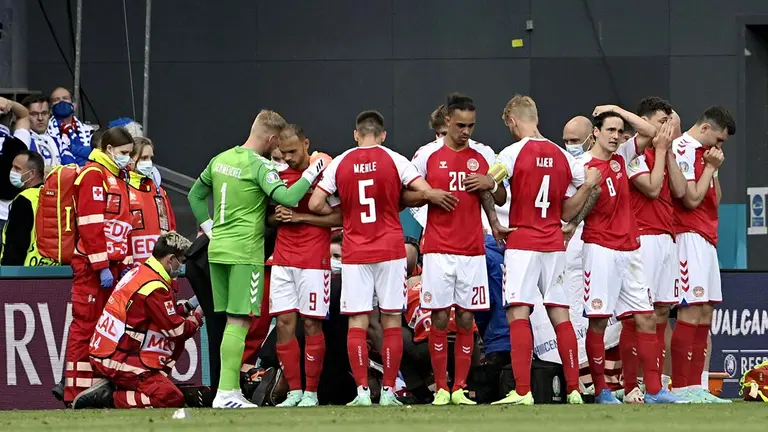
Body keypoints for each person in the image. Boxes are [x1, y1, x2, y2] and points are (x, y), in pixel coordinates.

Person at [308, 109, 456, 406]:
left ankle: (362, 391)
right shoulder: (395, 159)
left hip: (356, 252)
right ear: (383, 134)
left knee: (358, 323)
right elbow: (424, 192)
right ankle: (389, 390)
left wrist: (343, 214)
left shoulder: (341, 162)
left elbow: (314, 204)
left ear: (356, 134)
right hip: (391, 249)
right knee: (390, 321)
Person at [187, 110, 327, 408]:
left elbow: (195, 196)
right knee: (239, 321)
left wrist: (210, 228)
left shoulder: (220, 159)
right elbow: (288, 199)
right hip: (244, 253)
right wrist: (311, 173)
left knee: (227, 322)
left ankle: (229, 390)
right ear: (273, 138)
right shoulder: (261, 166)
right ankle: (226, 392)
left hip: (218, 251)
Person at [467, 95, 599, 405]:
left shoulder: (511, 154)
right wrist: (586, 186)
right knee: (560, 313)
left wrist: (483, 180)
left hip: (523, 241)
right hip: (554, 243)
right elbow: (570, 209)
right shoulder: (563, 157)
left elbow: (492, 180)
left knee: (517, 311)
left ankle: (523, 391)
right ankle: (575, 389)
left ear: (512, 121)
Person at [563, 107, 683, 404]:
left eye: (619, 131)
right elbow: (566, 211)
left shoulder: (622, 157)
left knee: (645, 318)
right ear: (596, 133)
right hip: (600, 250)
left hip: (630, 250)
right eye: (610, 130)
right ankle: (603, 389)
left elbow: (652, 132)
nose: (616, 136)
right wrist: (588, 185)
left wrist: (616, 109)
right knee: (599, 322)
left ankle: (654, 390)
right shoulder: (581, 167)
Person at [409, 93, 504, 406]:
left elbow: (499, 197)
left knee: (466, 318)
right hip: (437, 248)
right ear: (447, 121)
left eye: (471, 126)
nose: (466, 131)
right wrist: (430, 195)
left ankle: (460, 388)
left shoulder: (484, 153)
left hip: (473, 249)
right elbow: (403, 196)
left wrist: (489, 183)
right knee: (438, 317)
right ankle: (440, 388)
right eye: (461, 125)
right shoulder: (426, 155)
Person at [72, 232, 203, 409]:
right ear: (171, 259)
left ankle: (124, 387)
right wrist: (198, 315)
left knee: (167, 369)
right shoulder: (154, 287)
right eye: (182, 261)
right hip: (115, 357)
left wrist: (188, 305)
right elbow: (176, 330)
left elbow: (162, 316)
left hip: (113, 351)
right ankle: (110, 398)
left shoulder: (141, 272)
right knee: (171, 398)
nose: (182, 266)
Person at [267, 124, 342, 407]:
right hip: (283, 259)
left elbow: (341, 218)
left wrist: (301, 219)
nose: (288, 158)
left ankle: (311, 392)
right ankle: (294, 391)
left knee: (311, 324)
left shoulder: (325, 175)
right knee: (284, 323)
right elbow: (268, 219)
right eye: (283, 153)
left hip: (314, 260)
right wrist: (279, 217)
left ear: (306, 144)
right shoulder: (277, 175)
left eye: (293, 152)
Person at [63, 126, 135, 405]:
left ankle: (96, 388)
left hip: (114, 266)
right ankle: (74, 393)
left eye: (129, 154)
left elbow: (122, 224)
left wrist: (124, 262)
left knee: (107, 328)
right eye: (123, 153)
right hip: (92, 268)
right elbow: (91, 224)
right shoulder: (93, 175)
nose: (127, 159)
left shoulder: (117, 176)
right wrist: (101, 265)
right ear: (108, 150)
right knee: (85, 326)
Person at [670, 106, 735, 403]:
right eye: (718, 140)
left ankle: (700, 386)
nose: (719, 147)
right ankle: (683, 387)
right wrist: (709, 167)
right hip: (687, 235)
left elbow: (714, 199)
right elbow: (691, 199)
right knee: (690, 309)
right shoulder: (682, 148)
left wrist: (714, 169)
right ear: (706, 129)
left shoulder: (706, 155)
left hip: (707, 237)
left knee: (706, 312)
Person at [625, 97, 687, 401]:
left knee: (662, 310)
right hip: (643, 237)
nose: (667, 128)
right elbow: (650, 187)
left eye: (669, 122)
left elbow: (679, 190)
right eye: (662, 122)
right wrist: (660, 150)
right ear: (646, 121)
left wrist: (669, 153)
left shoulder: (666, 153)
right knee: (640, 313)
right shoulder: (632, 153)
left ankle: (657, 383)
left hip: (667, 238)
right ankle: (632, 385)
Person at [1, 150, 55, 266]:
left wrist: (8, 275)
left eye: (17, 168)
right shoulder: (53, 196)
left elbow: (15, 243)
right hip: (51, 268)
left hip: (25, 271)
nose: (12, 171)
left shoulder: (24, 199)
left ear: (31, 174)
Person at [127, 137, 176, 264]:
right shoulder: (121, 190)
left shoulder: (159, 192)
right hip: (131, 266)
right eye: (143, 158)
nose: (148, 162)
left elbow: (172, 229)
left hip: (158, 265)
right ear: (130, 159)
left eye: (150, 158)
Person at [0, 96, 31, 239]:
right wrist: (9, 104)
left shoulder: (18, 144)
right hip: (10, 215)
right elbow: (24, 115)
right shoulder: (19, 144)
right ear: (12, 119)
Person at [17, 94, 77, 169]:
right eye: (34, 114)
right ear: (26, 116)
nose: (40, 118)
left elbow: (72, 168)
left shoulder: (58, 142)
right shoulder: (20, 142)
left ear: (49, 114)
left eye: (44, 113)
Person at [47, 87, 93, 166]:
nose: (61, 102)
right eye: (56, 100)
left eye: (65, 98)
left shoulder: (89, 130)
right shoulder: (45, 131)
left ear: (74, 105)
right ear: (51, 108)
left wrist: (71, 148)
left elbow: (94, 153)